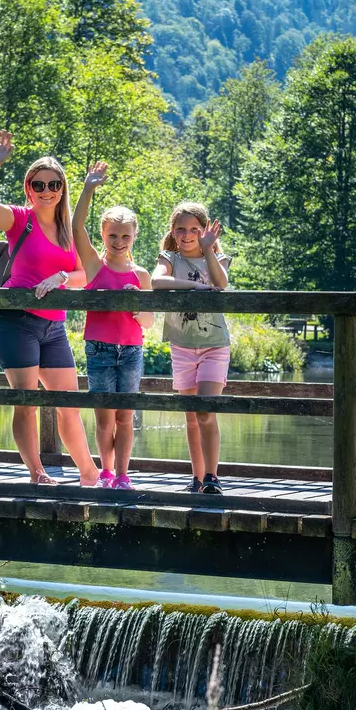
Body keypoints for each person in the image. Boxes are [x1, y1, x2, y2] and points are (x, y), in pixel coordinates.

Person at [0, 130, 99, 486]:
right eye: (39, 185)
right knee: (26, 402)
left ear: (62, 188)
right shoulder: (20, 220)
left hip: (53, 327)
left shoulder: (69, 230)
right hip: (15, 323)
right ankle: (37, 474)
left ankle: (89, 474)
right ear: (29, 189)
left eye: (54, 184)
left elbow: (85, 275)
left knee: (68, 404)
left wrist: (61, 276)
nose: (47, 191)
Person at [71, 161, 154, 490]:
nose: (118, 241)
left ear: (134, 236)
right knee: (105, 418)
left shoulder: (142, 275)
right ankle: (105, 472)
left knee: (125, 417)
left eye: (125, 236)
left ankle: (122, 475)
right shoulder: (94, 265)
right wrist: (88, 188)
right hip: (100, 348)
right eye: (111, 235)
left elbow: (148, 322)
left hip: (132, 350)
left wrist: (136, 305)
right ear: (103, 235)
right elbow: (77, 227)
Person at [151, 202, 230, 494]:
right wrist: (195, 287)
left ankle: (212, 477)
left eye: (195, 229)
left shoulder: (218, 257)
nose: (187, 235)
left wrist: (208, 250)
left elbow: (221, 283)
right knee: (191, 416)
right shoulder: (169, 257)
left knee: (205, 412)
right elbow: (156, 280)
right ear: (173, 231)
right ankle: (197, 479)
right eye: (181, 229)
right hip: (182, 346)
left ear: (205, 231)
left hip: (214, 346)